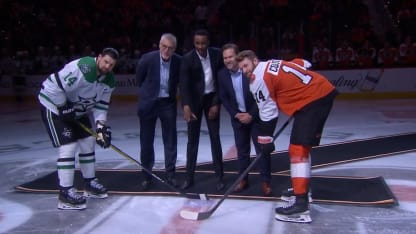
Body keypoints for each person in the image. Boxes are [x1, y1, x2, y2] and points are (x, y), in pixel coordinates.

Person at [236, 50, 338, 223]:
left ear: (255, 60)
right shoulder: (272, 63)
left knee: (297, 150)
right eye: (241, 69)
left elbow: (268, 111)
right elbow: (303, 63)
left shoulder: (258, 79)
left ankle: (301, 205)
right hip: (321, 93)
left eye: (246, 65)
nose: (245, 71)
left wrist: (265, 140)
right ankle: (303, 190)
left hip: (313, 100)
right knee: (302, 149)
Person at [38, 47, 119, 210]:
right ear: (99, 57)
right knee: (68, 146)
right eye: (106, 62)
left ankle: (89, 183)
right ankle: (65, 193)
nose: (107, 67)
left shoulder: (109, 81)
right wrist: (62, 105)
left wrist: (100, 128)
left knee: (88, 141)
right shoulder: (83, 68)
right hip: (54, 105)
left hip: (75, 109)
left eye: (111, 65)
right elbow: (55, 83)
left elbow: (101, 107)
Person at [217, 43, 277, 196]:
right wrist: (236, 114)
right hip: (238, 119)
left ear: (237, 57)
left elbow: (262, 97)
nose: (228, 60)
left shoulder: (249, 72)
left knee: (261, 151)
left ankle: (266, 182)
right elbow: (224, 97)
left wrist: (251, 114)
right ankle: (243, 179)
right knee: (242, 151)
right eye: (225, 58)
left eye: (230, 57)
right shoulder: (222, 74)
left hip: (256, 117)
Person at [179, 29, 225, 191]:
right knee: (192, 141)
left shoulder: (217, 55)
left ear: (208, 42)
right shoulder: (187, 59)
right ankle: (189, 178)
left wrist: (217, 103)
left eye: (203, 43)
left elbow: (221, 81)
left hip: (212, 99)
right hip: (194, 104)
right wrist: (186, 105)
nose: (200, 46)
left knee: (215, 138)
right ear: (194, 43)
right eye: (197, 43)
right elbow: (184, 84)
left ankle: (220, 177)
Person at [136, 33, 181, 190]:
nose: (166, 50)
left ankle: (170, 174)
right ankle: (147, 176)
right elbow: (139, 79)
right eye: (164, 46)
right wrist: (147, 96)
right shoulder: (147, 59)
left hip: (168, 104)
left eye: (170, 48)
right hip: (149, 104)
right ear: (159, 45)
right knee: (146, 141)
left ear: (174, 49)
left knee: (170, 140)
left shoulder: (178, 61)